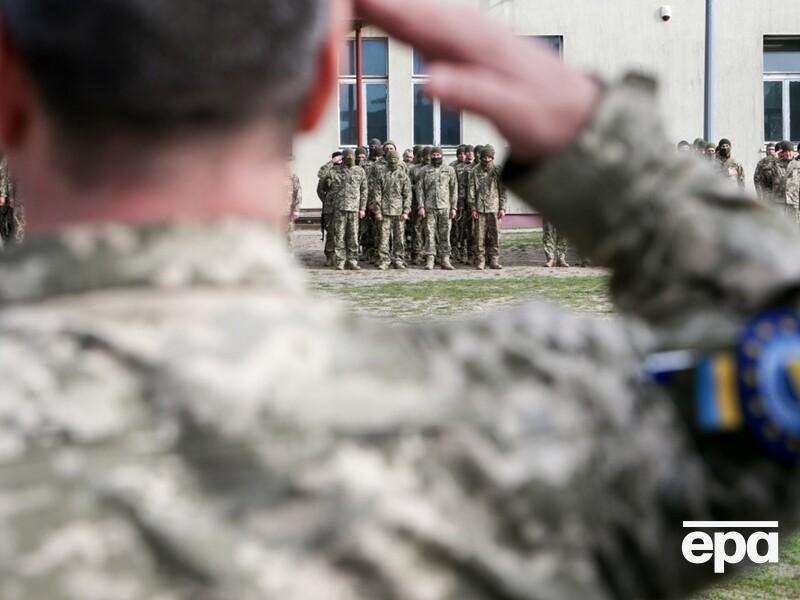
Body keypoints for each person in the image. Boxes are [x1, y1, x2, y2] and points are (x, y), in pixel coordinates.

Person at [4, 1, 800, 599]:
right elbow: (775, 422)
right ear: (322, 87)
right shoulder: (519, 421)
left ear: (8, 89)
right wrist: (610, 154)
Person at [323, 148, 367, 270]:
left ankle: (352, 260)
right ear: (343, 158)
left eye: (352, 156)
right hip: (339, 208)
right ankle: (340, 261)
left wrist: (362, 208)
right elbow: (321, 175)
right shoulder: (336, 170)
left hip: (354, 209)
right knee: (339, 236)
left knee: (353, 236)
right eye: (347, 156)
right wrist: (331, 162)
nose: (350, 158)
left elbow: (364, 191)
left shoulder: (360, 171)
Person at [417, 146, 457, 270]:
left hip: (445, 207)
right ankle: (430, 259)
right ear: (430, 156)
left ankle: (445, 259)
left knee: (445, 234)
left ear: (442, 156)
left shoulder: (449, 170)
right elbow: (419, 190)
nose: (436, 157)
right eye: (433, 155)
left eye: (438, 155)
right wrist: (421, 206)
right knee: (429, 234)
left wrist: (454, 208)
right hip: (429, 207)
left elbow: (454, 189)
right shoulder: (424, 170)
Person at [468, 144, 506, 269]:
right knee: (479, 236)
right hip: (480, 208)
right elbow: (471, 190)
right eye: (485, 157)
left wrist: (502, 208)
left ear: (492, 157)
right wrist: (473, 207)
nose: (487, 159)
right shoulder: (475, 171)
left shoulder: (498, 171)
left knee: (495, 235)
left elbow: (503, 191)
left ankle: (494, 260)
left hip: (494, 208)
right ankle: (480, 261)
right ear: (481, 157)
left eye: (489, 157)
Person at [373, 150, 412, 270]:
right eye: (391, 159)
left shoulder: (403, 175)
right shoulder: (382, 174)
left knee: (399, 238)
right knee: (384, 238)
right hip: (385, 211)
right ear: (387, 160)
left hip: (399, 212)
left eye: (395, 158)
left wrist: (406, 211)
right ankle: (384, 260)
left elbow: (408, 194)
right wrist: (378, 211)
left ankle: (398, 259)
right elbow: (377, 194)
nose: (393, 161)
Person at [317, 150, 342, 265]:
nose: (339, 161)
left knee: (342, 233)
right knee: (331, 232)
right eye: (337, 159)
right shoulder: (328, 171)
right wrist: (327, 200)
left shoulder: (345, 169)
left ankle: (341, 256)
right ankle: (330, 256)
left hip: (343, 207)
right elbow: (320, 188)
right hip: (330, 208)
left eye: (341, 158)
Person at [286, 168, 302, 247]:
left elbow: (298, 192)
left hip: (287, 212)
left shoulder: (292, 175)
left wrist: (296, 209)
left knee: (287, 236)